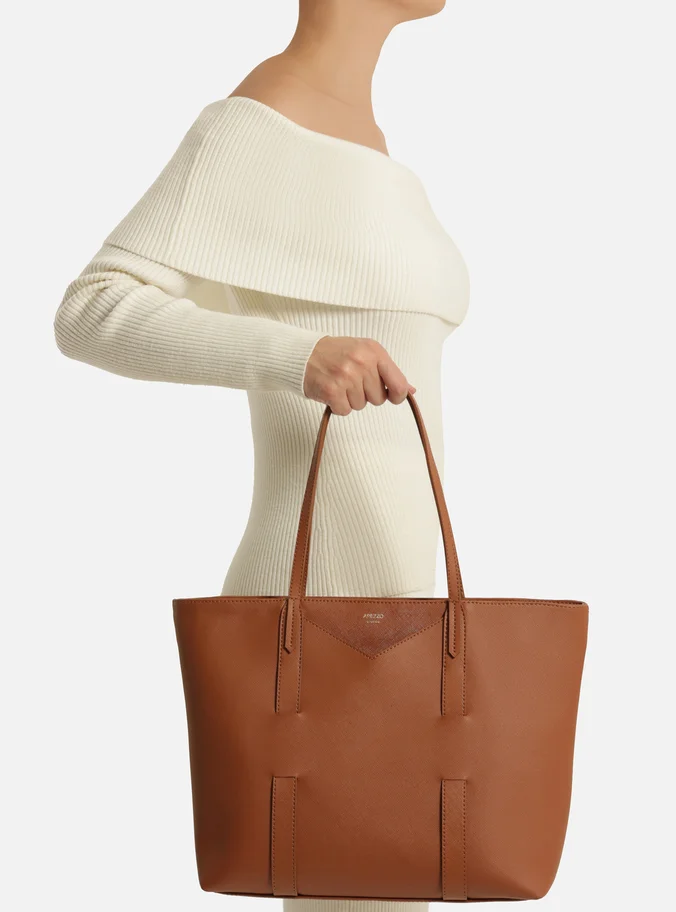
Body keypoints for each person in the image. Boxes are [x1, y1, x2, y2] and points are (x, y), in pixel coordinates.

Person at [53, 1, 469, 910]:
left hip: (406, 602)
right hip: (317, 602)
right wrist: (297, 356)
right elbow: (92, 309)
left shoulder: (374, 149)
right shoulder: (259, 122)